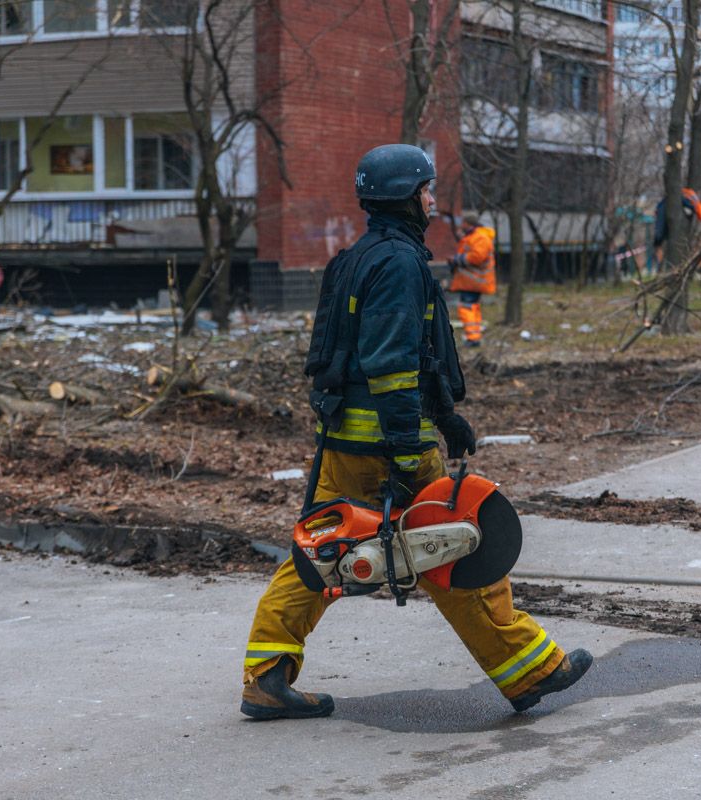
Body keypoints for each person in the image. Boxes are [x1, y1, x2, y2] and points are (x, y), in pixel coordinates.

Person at [240, 144, 592, 720]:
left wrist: (445, 414)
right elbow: (392, 366)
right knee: (457, 542)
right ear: (407, 196)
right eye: (427, 190)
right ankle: (529, 669)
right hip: (387, 446)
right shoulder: (401, 265)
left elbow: (374, 357)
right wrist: (410, 449)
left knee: (319, 552)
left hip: (344, 444)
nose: (432, 200)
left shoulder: (354, 259)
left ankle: (266, 675)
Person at [449, 214, 496, 347]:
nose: (461, 225)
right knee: (472, 308)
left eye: (463, 222)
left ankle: (473, 338)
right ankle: (474, 337)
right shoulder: (473, 236)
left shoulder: (480, 237)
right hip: (472, 281)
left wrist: (456, 260)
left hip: (474, 281)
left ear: (468, 224)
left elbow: (477, 257)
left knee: (467, 308)